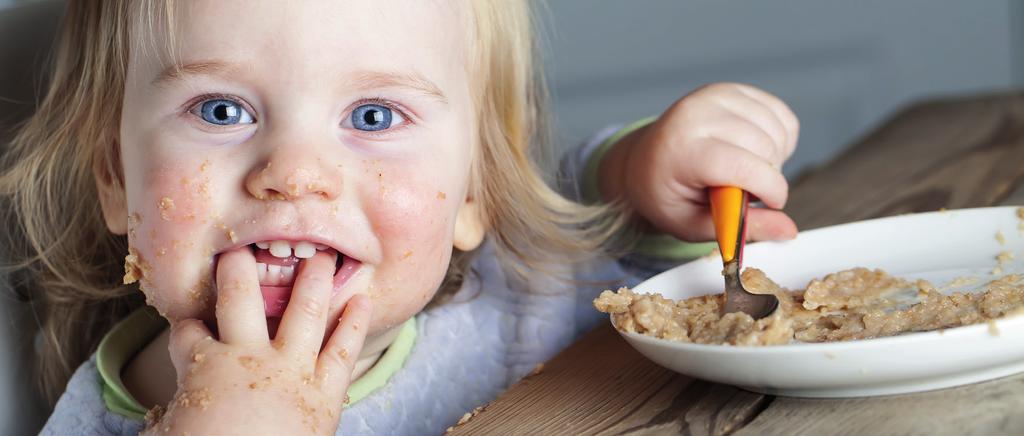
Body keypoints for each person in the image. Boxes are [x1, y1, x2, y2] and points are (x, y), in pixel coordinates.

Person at [0, 1, 798, 434]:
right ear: (115, 177)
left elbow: (600, 229)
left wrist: (642, 172)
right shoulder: (95, 422)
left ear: (477, 190)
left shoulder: (513, 298)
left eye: (375, 117)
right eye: (221, 109)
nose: (294, 174)